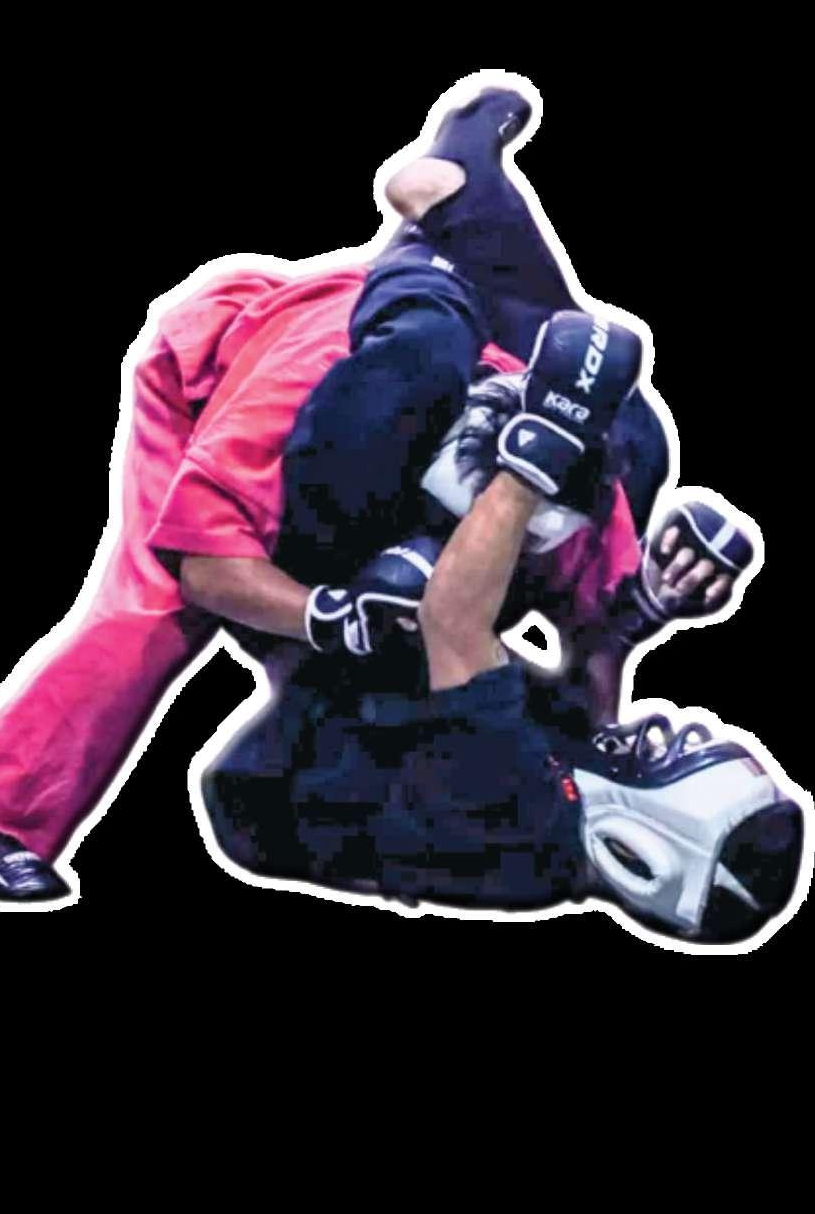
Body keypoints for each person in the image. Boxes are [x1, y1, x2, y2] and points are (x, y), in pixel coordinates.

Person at [0, 84, 670, 905]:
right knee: (158, 605)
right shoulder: (294, 393)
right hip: (225, 367)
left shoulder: (585, 478)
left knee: (545, 332)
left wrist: (629, 639)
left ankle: (452, 195)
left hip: (435, 337)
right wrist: (325, 613)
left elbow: (590, 647)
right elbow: (206, 568)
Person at [204, 362, 803, 944]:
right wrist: (639, 612)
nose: (658, 732)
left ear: (654, 848)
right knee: (634, 444)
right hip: (377, 705)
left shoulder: (518, 815)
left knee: (417, 567)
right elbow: (579, 708)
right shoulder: (565, 826)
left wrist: (539, 449)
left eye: (666, 761)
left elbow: (451, 619)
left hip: (292, 740)